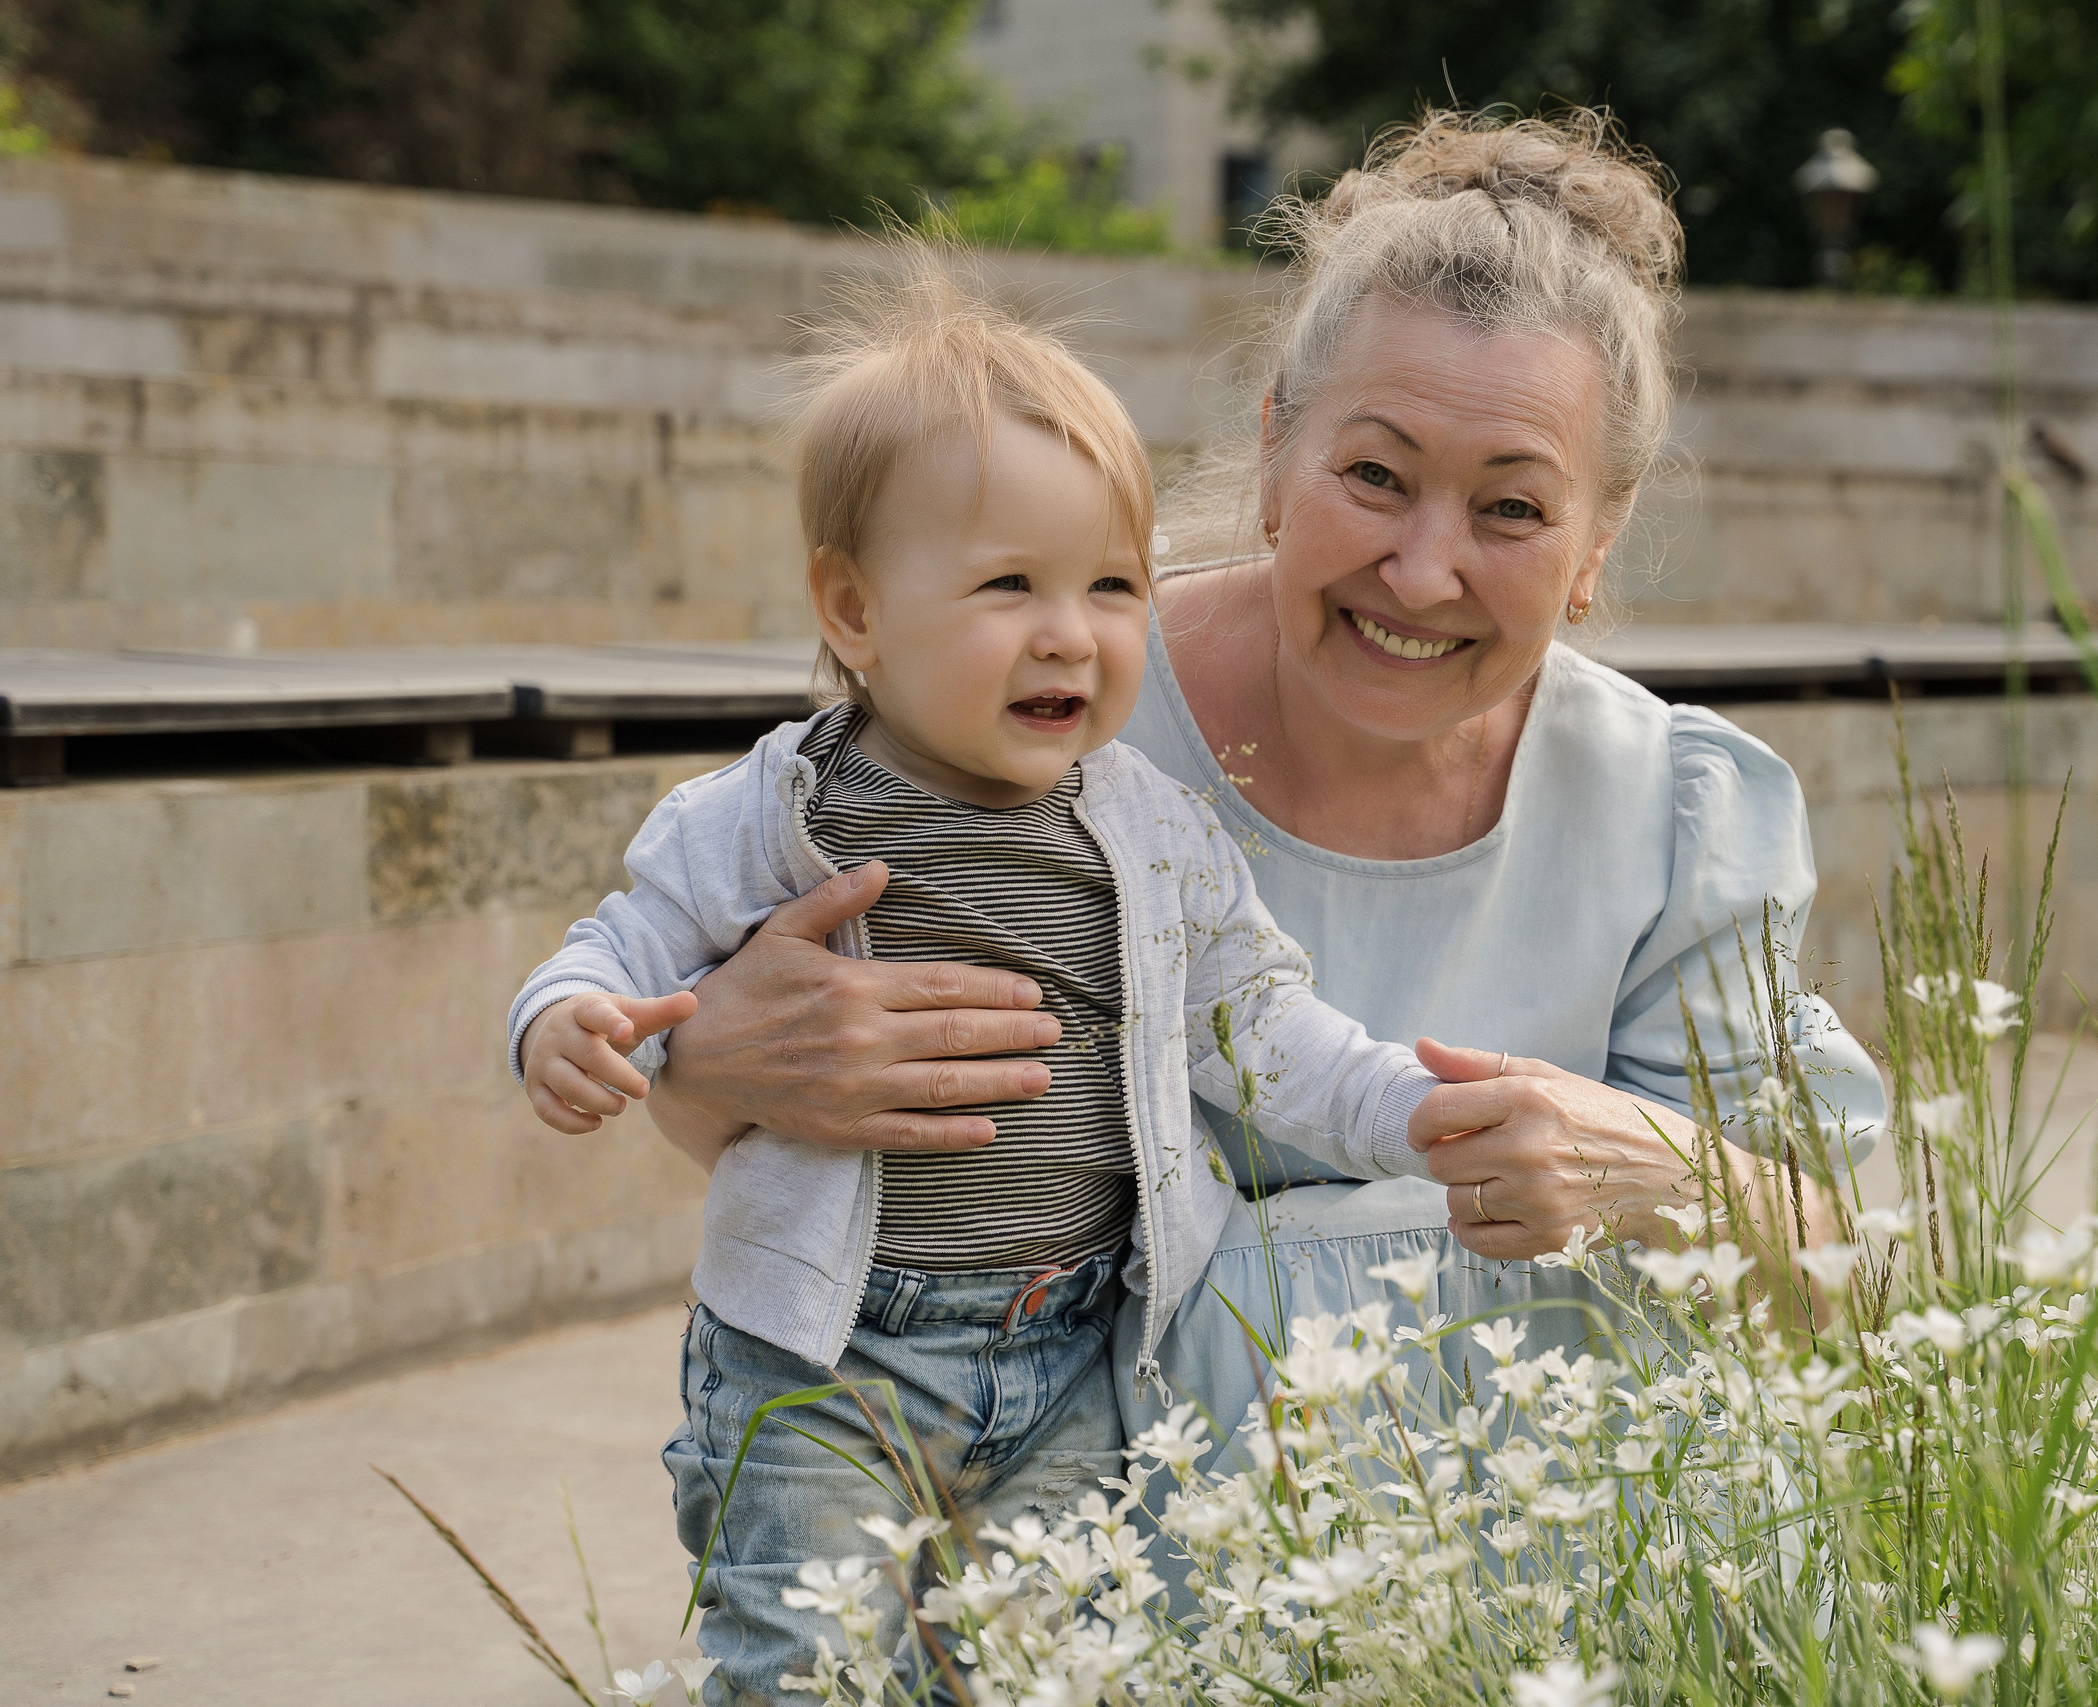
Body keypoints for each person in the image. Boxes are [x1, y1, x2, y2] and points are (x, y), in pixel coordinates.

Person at [643, 105, 1886, 1518]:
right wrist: (706, 1066)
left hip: (1546, 1587)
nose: (1423, 572)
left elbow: (1861, 1285)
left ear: (1597, 543)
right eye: (1375, 475)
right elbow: (826, 1173)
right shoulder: (1033, 709)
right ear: (1276, 453)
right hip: (1090, 1585)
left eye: (1513, 509)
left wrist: (1655, 1167)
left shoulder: (1673, 811)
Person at [506, 279, 1465, 1705]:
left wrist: (1415, 1110)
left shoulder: (1151, 831)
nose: (1070, 634)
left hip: (1070, 1352)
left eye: (1113, 586)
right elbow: (620, 944)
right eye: (1010, 585)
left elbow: (1267, 1029)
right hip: (824, 1362)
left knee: (1041, 1673)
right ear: (856, 608)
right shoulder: (783, 808)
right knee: (806, 1671)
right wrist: (566, 1025)